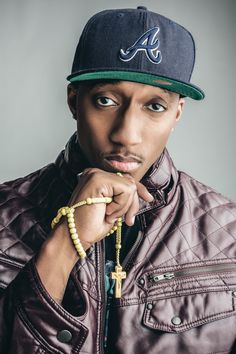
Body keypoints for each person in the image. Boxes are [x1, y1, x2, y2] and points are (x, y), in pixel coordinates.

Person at [0, 6, 235, 354]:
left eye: (154, 106)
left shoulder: (229, 233)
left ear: (177, 114)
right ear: (73, 102)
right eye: (105, 100)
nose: (126, 134)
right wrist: (64, 242)